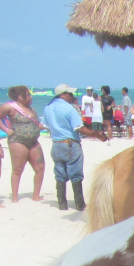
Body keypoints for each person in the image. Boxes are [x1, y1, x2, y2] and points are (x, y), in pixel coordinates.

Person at [42, 83, 107, 211]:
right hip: (70, 143)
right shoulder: (69, 108)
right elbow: (80, 128)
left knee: (60, 174)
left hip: (56, 144)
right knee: (75, 174)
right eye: (70, 94)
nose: (72, 96)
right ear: (63, 95)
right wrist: (98, 135)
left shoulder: (48, 108)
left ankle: (62, 203)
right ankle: (79, 203)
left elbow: (46, 126)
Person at [0, 85, 46, 202]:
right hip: (18, 141)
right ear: (19, 97)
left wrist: (49, 126)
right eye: (28, 94)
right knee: (17, 170)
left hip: (33, 142)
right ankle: (15, 197)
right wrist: (6, 130)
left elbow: (37, 125)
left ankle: (36, 195)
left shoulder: (32, 110)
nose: (30, 97)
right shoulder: (10, 107)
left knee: (40, 168)